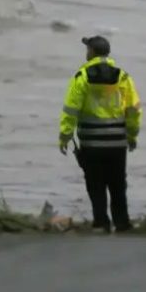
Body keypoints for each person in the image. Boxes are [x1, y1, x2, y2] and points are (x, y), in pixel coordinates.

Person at [59, 35, 141, 233]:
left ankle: (101, 222)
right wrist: (132, 135)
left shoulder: (82, 76)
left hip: (92, 142)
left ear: (92, 52)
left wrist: (65, 135)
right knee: (118, 184)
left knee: (95, 184)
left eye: (88, 49)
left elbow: (71, 109)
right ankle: (122, 223)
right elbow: (133, 109)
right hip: (117, 141)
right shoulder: (122, 76)